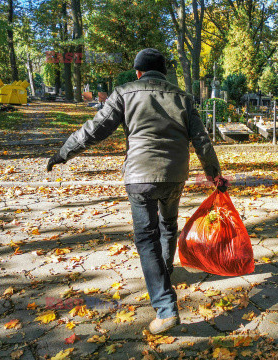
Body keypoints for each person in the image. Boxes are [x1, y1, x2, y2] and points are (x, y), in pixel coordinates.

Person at [46, 48, 228, 334]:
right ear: (164, 73)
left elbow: (94, 129)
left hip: (140, 176)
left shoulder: (124, 92)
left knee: (146, 238)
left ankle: (166, 307)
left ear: (138, 72)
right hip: (174, 175)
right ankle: (164, 271)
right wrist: (214, 175)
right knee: (168, 224)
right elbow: (201, 140)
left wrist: (63, 153)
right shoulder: (182, 97)